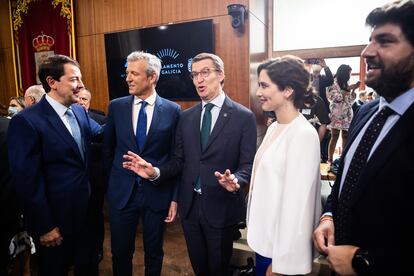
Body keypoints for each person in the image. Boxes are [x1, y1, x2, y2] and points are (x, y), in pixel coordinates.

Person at [123, 52, 257, 275]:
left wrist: (236, 180)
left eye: (205, 73)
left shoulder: (244, 117)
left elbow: (247, 165)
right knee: (199, 269)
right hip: (191, 209)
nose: (199, 80)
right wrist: (155, 171)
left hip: (220, 208)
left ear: (221, 75)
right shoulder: (186, 117)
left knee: (219, 269)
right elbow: (179, 161)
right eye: (195, 75)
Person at [313, 0, 414, 274]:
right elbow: (348, 177)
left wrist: (364, 261)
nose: (367, 52)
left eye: (385, 41)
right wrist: (329, 214)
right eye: (369, 41)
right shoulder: (367, 112)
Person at [7, 54, 103, 276]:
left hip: (87, 216)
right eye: (74, 80)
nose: (81, 85)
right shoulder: (28, 121)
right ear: (52, 82)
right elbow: (26, 181)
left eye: (80, 79)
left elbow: (99, 135)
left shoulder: (79, 111)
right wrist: (45, 226)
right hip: (54, 223)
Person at [103, 51, 181, 276]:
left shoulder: (172, 110)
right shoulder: (116, 107)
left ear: (152, 77)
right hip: (122, 194)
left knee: (154, 253)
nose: (127, 78)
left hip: (156, 194)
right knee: (120, 253)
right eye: (127, 73)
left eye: (134, 73)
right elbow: (108, 151)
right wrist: (111, 186)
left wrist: (174, 196)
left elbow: (176, 158)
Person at [247, 56, 321, 275]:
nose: (258, 92)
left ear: (288, 90)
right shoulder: (274, 128)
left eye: (264, 85)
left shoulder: (303, 134)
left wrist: (281, 266)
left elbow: (299, 209)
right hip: (265, 240)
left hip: (281, 254)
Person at [77, 88, 106, 262]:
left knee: (95, 216)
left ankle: (97, 249)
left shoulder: (100, 120)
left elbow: (106, 147)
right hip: (75, 182)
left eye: (84, 99)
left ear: (89, 102)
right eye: (78, 98)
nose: (80, 102)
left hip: (95, 178)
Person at [326, 65, 358, 163]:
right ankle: (330, 159)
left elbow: (350, 100)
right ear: (344, 73)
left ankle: (343, 158)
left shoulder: (346, 83)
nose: (349, 75)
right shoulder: (332, 83)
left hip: (347, 113)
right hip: (336, 112)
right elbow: (335, 98)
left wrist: (353, 91)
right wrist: (347, 89)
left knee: (345, 136)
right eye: (349, 73)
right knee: (334, 135)